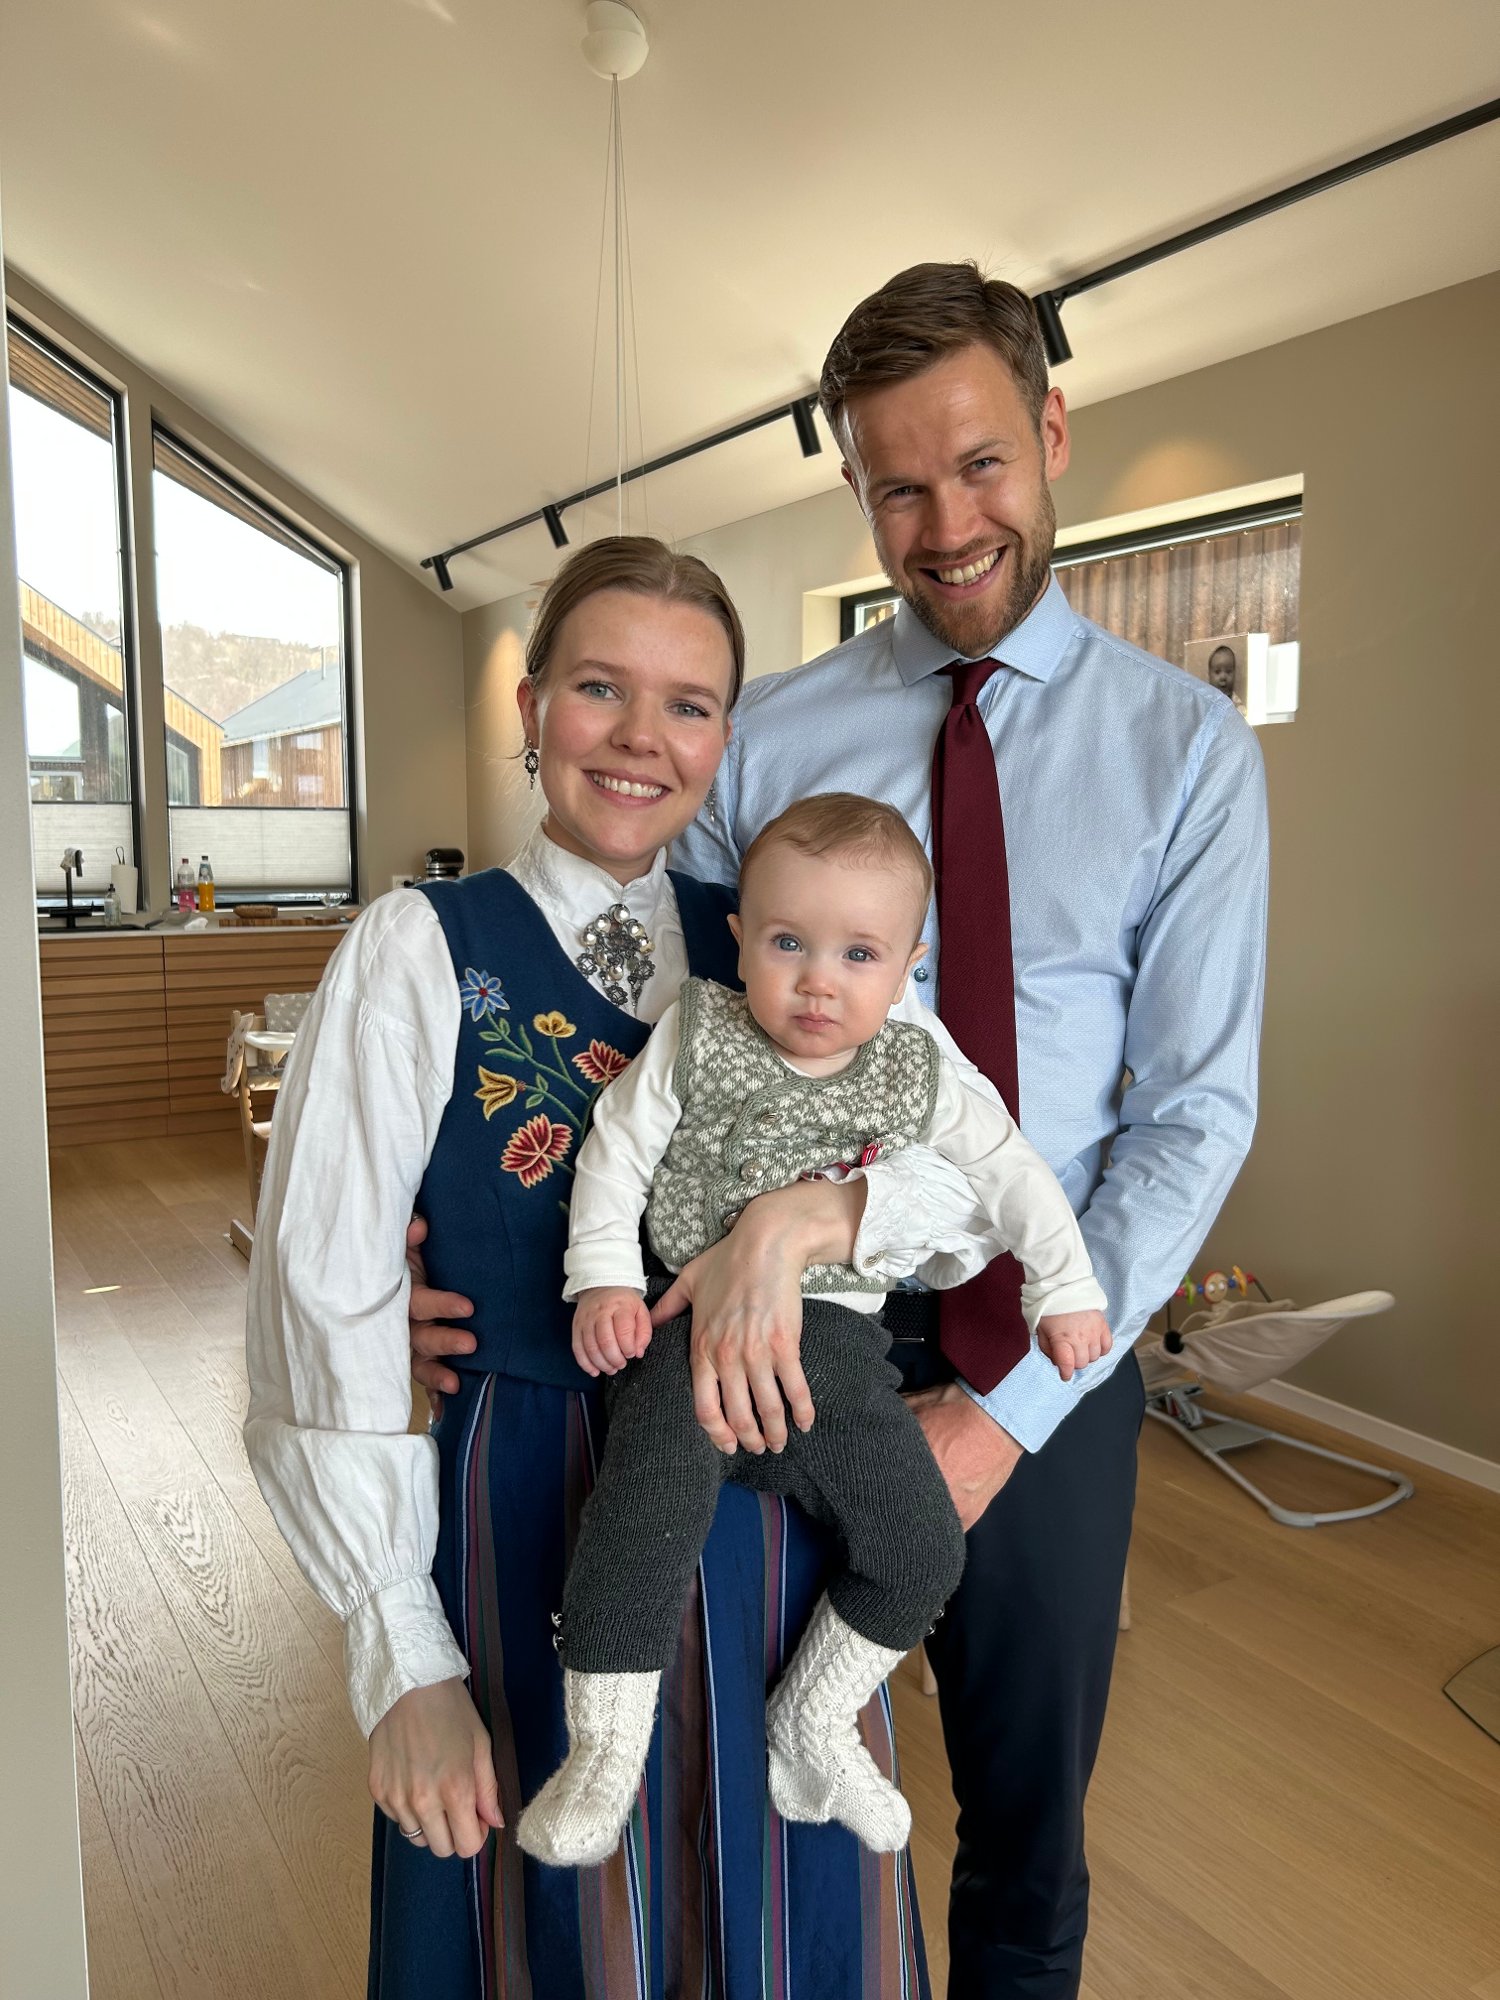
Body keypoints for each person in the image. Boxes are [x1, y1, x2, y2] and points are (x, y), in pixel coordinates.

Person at [414, 265, 1269, 1997]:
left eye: (979, 465)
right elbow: (634, 1021)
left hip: (1041, 1355)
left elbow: (1192, 1120)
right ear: (856, 489)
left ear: (1051, 431)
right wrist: (450, 1249)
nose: (945, 526)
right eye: (896, 486)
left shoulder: (1187, 753)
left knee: (1024, 1834)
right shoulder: (771, 739)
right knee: (753, 1797)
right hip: (758, 1341)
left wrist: (1009, 1417)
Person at [246, 535, 996, 1999]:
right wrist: (401, 1656)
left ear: (726, 736)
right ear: (532, 708)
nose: (643, 736)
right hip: (524, 1496)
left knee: (776, 1896)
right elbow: (321, 1292)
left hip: (770, 1479)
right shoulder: (417, 949)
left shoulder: (790, 935)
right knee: (556, 1917)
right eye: (601, 687)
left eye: (689, 703)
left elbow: (971, 1175)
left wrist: (815, 1219)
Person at [518, 794, 1110, 1869]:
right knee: (643, 1512)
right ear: (740, 938)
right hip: (688, 1323)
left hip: (837, 1344)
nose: (818, 981)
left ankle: (815, 1721)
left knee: (923, 1545)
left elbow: (1013, 1173)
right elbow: (615, 1151)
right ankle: (602, 1752)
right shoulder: (701, 1031)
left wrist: (1062, 1289)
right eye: (787, 943)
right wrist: (602, 1279)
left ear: (907, 968)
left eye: (859, 954)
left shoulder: (916, 1067)